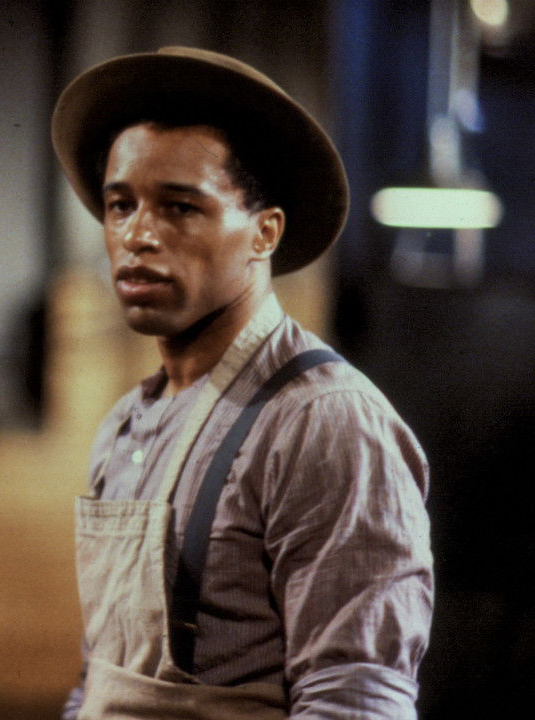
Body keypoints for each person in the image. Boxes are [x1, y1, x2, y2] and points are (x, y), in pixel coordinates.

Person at [49, 47, 432, 718]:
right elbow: (100, 677)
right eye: (120, 205)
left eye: (179, 208)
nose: (137, 235)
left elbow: (355, 696)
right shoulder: (126, 425)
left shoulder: (322, 421)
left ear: (264, 232)